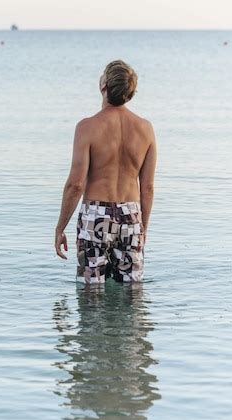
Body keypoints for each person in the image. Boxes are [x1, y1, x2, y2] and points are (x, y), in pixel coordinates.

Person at [54, 59, 157, 284]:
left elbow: (76, 185)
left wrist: (60, 228)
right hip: (131, 216)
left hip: (96, 215)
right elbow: (147, 188)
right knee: (132, 291)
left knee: (91, 292)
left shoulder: (87, 127)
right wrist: (142, 229)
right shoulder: (145, 129)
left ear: (104, 85)